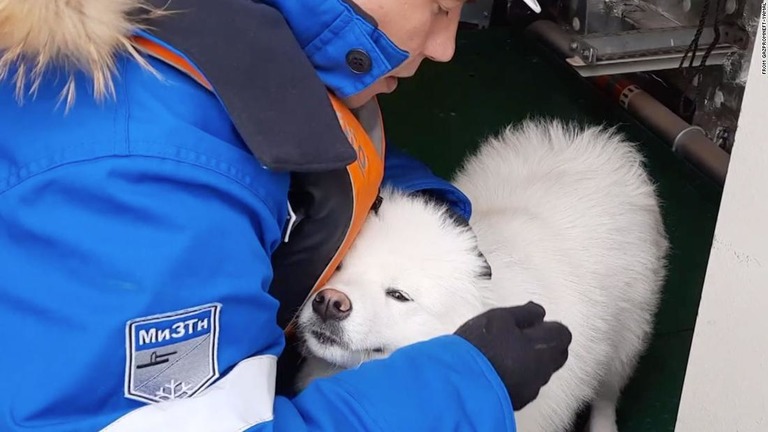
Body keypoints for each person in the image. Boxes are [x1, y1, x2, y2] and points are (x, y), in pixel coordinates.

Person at [0, 0, 571, 430]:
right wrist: (459, 387)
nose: (446, 45)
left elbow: (294, 147)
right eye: (440, 6)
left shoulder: (202, 36)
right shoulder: (141, 187)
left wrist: (419, 218)